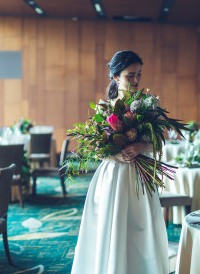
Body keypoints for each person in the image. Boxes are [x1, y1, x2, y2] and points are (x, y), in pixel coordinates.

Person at [71, 50, 169, 274]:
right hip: (113, 176)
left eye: (139, 75)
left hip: (140, 177)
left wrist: (143, 146)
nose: (135, 81)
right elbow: (97, 148)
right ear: (116, 77)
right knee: (111, 227)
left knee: (141, 227)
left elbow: (160, 142)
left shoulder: (150, 104)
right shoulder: (104, 108)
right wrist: (117, 154)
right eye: (130, 75)